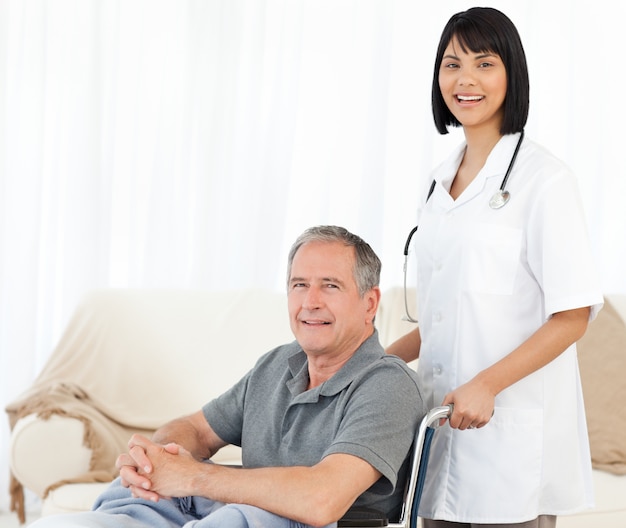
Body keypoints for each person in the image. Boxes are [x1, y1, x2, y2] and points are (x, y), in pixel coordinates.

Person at [30, 225, 426, 528]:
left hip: (300, 521)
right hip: (229, 509)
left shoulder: (386, 384)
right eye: (299, 285)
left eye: (330, 286)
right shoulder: (278, 365)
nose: (310, 302)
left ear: (369, 303)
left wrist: (194, 477)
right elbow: (196, 430)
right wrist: (159, 461)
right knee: (125, 498)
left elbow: (321, 500)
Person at [386, 7, 603, 528]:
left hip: (510, 449)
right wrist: (375, 363)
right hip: (437, 432)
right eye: (451, 64)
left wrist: (488, 384)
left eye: (484, 64)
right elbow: (443, 313)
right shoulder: (438, 184)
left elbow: (573, 314)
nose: (465, 80)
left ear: (512, 73)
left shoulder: (546, 181)